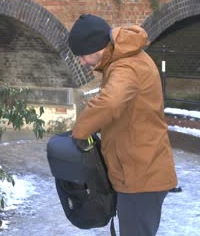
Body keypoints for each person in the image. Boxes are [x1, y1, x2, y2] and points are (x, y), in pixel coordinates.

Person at [68, 14, 178, 236]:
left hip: (141, 177)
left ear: (96, 47)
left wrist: (80, 132)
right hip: (138, 172)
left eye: (82, 55)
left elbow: (110, 102)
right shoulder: (124, 59)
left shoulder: (125, 67)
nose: (82, 62)